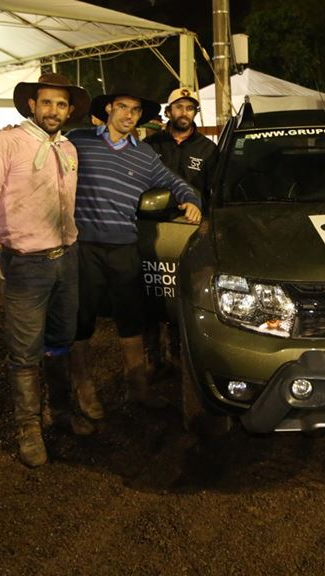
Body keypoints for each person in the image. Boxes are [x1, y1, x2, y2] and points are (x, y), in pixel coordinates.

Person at [0, 73, 91, 467]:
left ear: (69, 111)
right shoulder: (5, 142)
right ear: (32, 106)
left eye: (61, 104)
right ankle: (29, 428)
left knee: (61, 339)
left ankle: (62, 412)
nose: (54, 110)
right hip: (25, 262)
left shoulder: (68, 148)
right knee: (24, 349)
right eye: (47, 102)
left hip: (66, 256)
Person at [65, 86, 202, 420]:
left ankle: (138, 390)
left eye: (136, 110)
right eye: (123, 107)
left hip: (124, 245)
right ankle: (84, 392)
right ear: (109, 109)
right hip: (84, 245)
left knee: (131, 318)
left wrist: (191, 199)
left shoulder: (145, 156)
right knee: (81, 320)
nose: (129, 115)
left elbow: (175, 182)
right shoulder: (78, 141)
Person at [145, 87, 217, 196]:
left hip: (194, 206)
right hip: (157, 206)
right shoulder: (151, 144)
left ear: (195, 113)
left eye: (189, 108)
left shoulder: (208, 148)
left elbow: (214, 190)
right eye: (179, 107)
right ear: (168, 112)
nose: (184, 113)